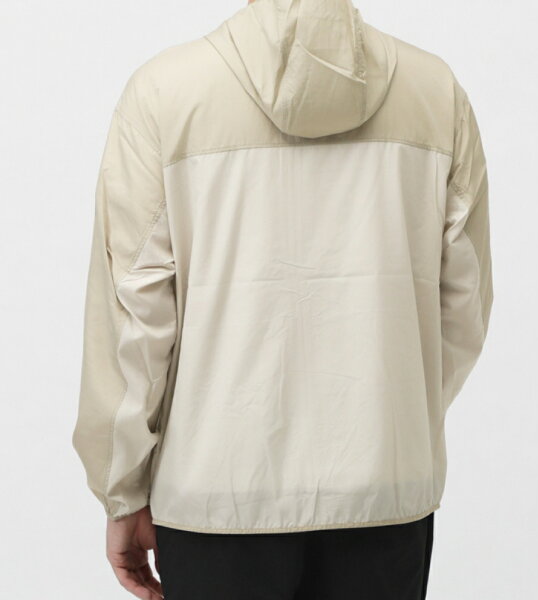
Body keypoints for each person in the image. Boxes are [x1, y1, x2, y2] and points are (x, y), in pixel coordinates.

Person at [72, 0, 493, 597]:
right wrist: (387, 415)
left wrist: (123, 489)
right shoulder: (435, 94)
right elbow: (464, 309)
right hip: (385, 491)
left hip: (213, 499)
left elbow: (134, 325)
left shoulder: (164, 95)